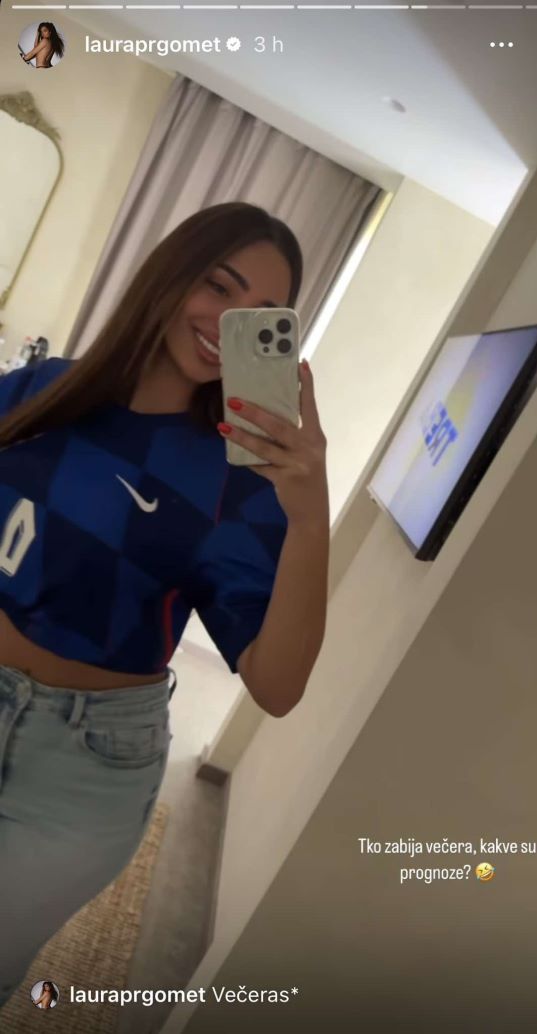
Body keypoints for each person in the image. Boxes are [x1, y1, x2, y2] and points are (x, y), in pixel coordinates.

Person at [0, 202, 330, 1007]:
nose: (225, 322)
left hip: (81, 769)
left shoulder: (241, 487)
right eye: (218, 286)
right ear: (171, 273)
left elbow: (278, 686)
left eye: (260, 315)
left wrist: (310, 516)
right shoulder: (41, 389)